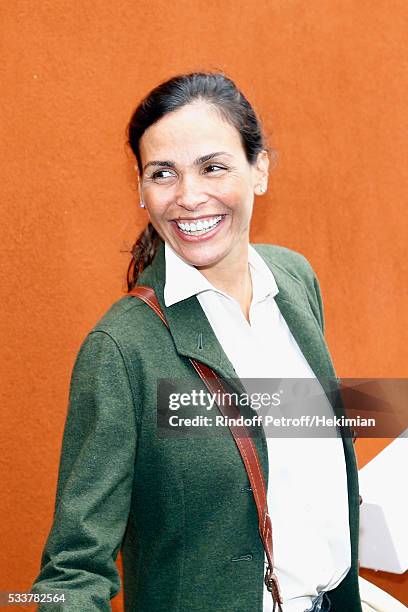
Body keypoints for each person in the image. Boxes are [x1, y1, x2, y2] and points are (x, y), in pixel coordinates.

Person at [31, 71, 364, 611]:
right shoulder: (121, 349)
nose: (189, 197)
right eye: (163, 173)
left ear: (259, 170)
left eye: (213, 167)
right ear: (141, 189)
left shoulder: (295, 282)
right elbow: (73, 570)